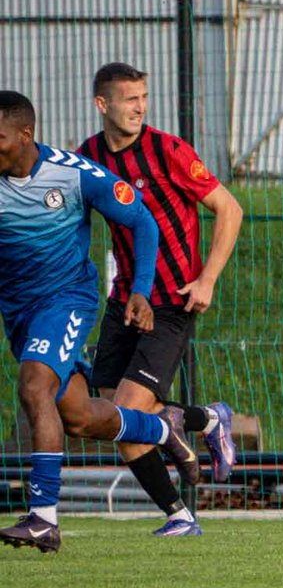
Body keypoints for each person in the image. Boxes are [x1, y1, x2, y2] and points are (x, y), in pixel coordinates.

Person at [0, 91, 178, 554]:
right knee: (77, 417)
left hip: (66, 301)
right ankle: (165, 428)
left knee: (34, 386)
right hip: (19, 312)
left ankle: (43, 518)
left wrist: (140, 289)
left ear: (25, 134)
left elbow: (143, 221)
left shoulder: (74, 173)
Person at [79, 63, 241, 537]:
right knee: (110, 415)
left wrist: (207, 279)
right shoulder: (89, 157)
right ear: (102, 104)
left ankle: (179, 514)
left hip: (172, 301)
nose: (140, 107)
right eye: (130, 99)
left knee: (129, 412)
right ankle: (202, 423)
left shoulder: (168, 150)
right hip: (125, 300)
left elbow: (230, 209)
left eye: (144, 97)